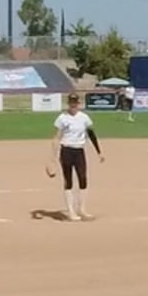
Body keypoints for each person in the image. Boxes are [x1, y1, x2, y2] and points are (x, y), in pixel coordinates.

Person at [51, 93, 104, 221]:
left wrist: (99, 151)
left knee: (83, 178)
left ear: (78, 103)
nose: (73, 104)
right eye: (71, 102)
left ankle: (82, 209)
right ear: (68, 103)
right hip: (66, 150)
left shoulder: (84, 117)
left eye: (75, 102)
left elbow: (91, 134)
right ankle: (71, 211)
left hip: (79, 151)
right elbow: (57, 137)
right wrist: (53, 157)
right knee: (68, 181)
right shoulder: (62, 118)